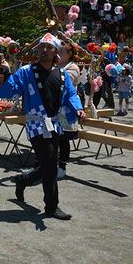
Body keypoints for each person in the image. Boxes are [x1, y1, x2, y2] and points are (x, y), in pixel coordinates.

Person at [0, 33, 85, 220]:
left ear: (55, 52)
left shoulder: (61, 74)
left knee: (49, 163)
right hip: (36, 123)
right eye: (41, 47)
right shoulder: (27, 71)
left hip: (55, 123)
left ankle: (23, 180)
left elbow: (71, 94)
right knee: (51, 162)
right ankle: (51, 207)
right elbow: (8, 91)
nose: (44, 50)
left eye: (49, 47)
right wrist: (6, 71)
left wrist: (78, 109)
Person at [57, 41, 82, 179]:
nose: (59, 54)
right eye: (58, 51)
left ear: (69, 54)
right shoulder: (55, 65)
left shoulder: (72, 67)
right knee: (52, 136)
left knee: (63, 138)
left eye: (62, 51)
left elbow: (66, 83)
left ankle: (62, 166)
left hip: (67, 107)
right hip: (54, 107)